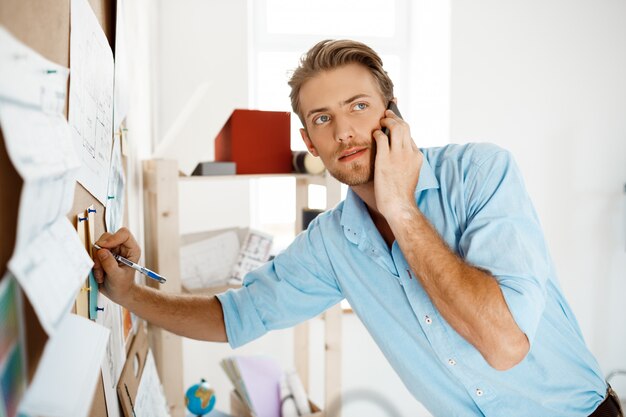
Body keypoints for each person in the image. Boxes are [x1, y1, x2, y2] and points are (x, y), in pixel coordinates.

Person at [93, 39, 622, 417]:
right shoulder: (332, 243)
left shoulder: (482, 174)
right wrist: (128, 294)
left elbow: (505, 346)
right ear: (309, 140)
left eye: (358, 107)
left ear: (391, 114)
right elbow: (236, 316)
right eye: (322, 119)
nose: (344, 130)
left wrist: (402, 210)